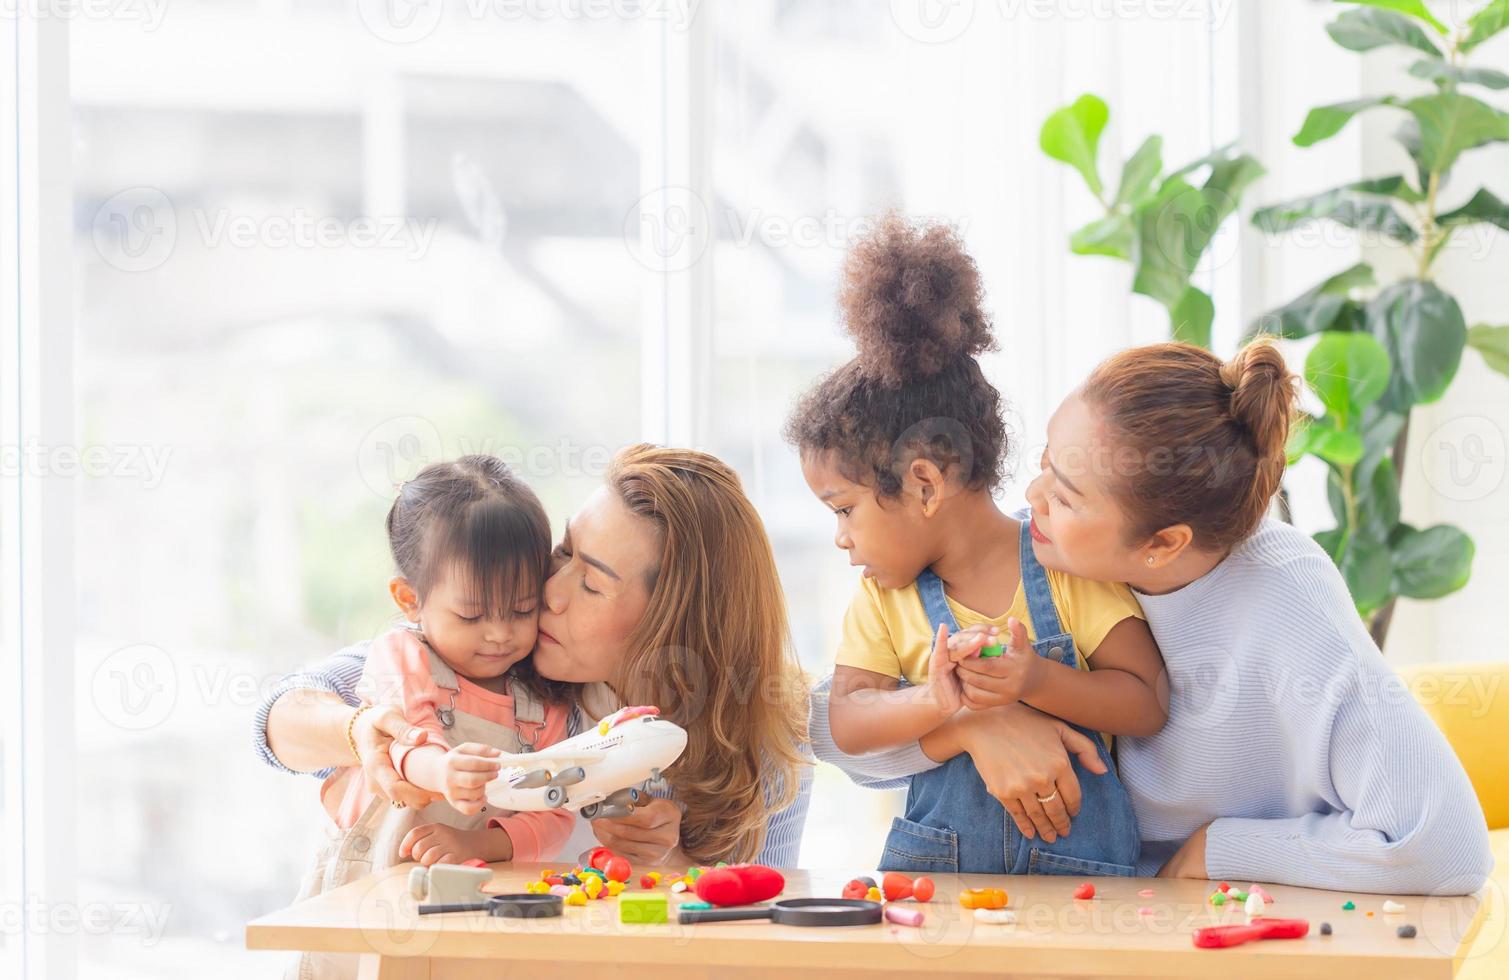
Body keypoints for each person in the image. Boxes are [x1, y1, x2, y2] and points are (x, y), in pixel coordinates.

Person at [814, 341, 1493, 895]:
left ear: (1161, 543)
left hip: (1204, 924)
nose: (1031, 498)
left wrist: (1216, 849)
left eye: (1066, 496)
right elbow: (825, 729)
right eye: (1044, 466)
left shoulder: (1282, 597)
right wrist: (972, 723)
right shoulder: (1050, 557)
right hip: (1062, 912)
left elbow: (1442, 846)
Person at [787, 214, 1165, 875]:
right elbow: (844, 720)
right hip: (934, 892)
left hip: (1083, 902)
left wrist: (1037, 678)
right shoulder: (883, 600)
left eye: (844, 510)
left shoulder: (1064, 569)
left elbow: (1145, 702)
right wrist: (935, 700)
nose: (842, 541)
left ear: (925, 483)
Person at [256, 445, 811, 868]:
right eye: (565, 550)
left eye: (590, 583)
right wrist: (359, 730)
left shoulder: (765, 734)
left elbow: (758, 937)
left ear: (671, 620)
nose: (549, 590)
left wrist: (672, 863)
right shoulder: (488, 652)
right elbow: (275, 722)